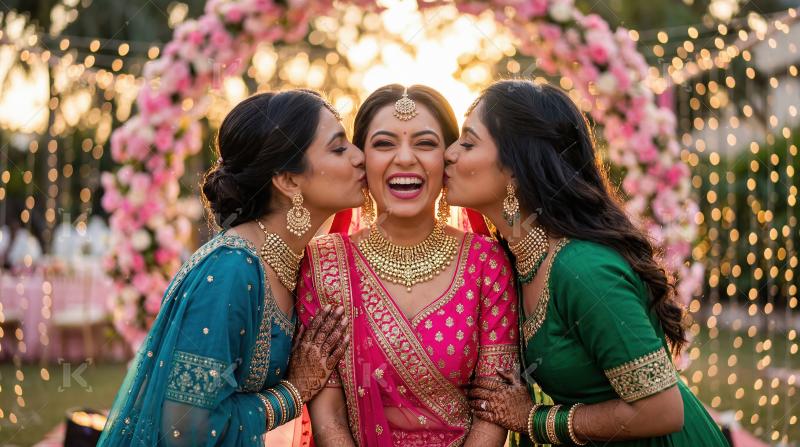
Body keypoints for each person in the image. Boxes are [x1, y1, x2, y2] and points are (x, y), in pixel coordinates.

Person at [444, 80, 729, 446]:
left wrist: (533, 419)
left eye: (467, 143)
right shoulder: (518, 263)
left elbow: (662, 410)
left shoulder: (583, 269)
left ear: (516, 167)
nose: (449, 154)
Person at [99, 89, 366, 446]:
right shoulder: (231, 271)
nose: (360, 157)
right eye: (339, 148)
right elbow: (185, 429)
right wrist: (294, 391)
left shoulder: (293, 265)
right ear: (288, 180)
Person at [297, 84, 518, 447]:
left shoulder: (487, 262)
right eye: (383, 144)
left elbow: (494, 411)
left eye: (426, 143)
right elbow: (329, 415)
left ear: (448, 160)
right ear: (360, 159)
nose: (404, 158)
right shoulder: (323, 263)